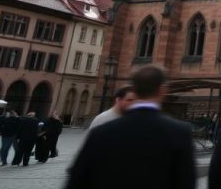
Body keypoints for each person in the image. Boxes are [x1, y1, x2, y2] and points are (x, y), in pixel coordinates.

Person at [65, 65, 196, 189]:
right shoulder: (180, 133)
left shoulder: (100, 132)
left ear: (134, 90)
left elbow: (77, 181)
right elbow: (185, 184)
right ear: (162, 90)